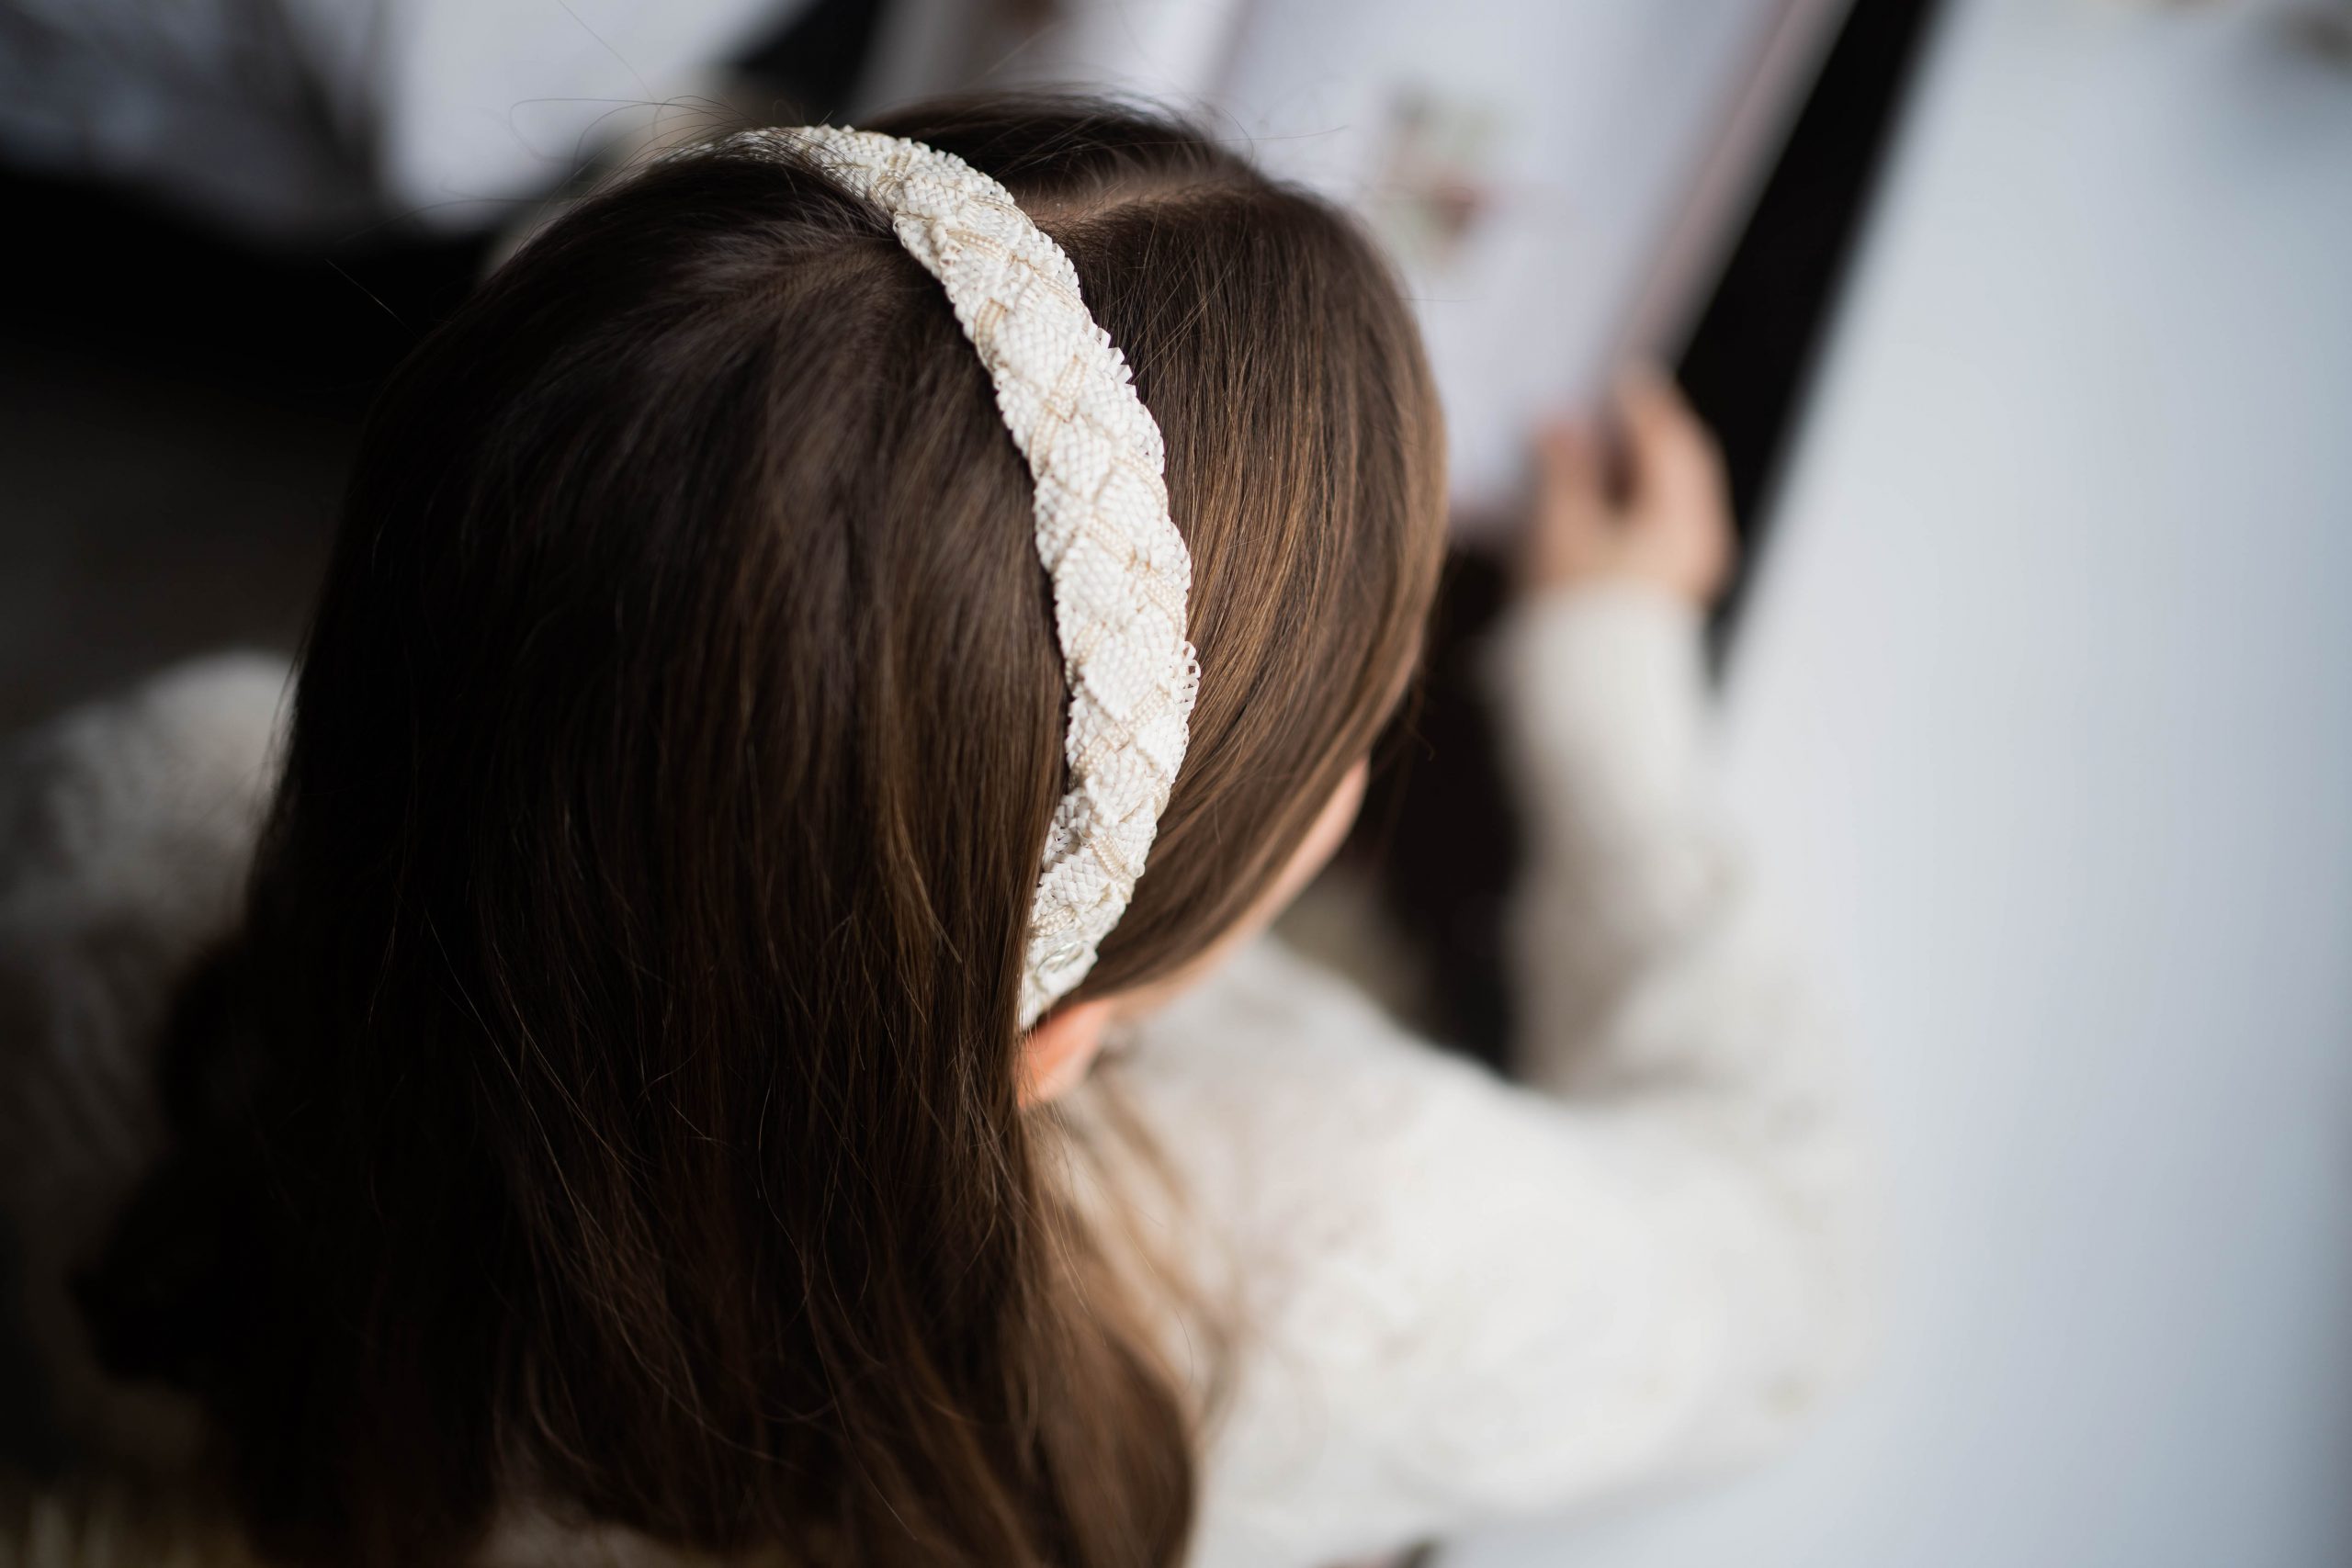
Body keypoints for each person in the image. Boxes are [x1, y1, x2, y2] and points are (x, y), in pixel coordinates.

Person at [0, 93, 1871, 1568]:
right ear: (1049, 1036)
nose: (1362, 759)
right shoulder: (1301, 1259)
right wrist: (1607, 661)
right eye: (1356, 728)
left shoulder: (109, 826)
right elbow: (1784, 1253)